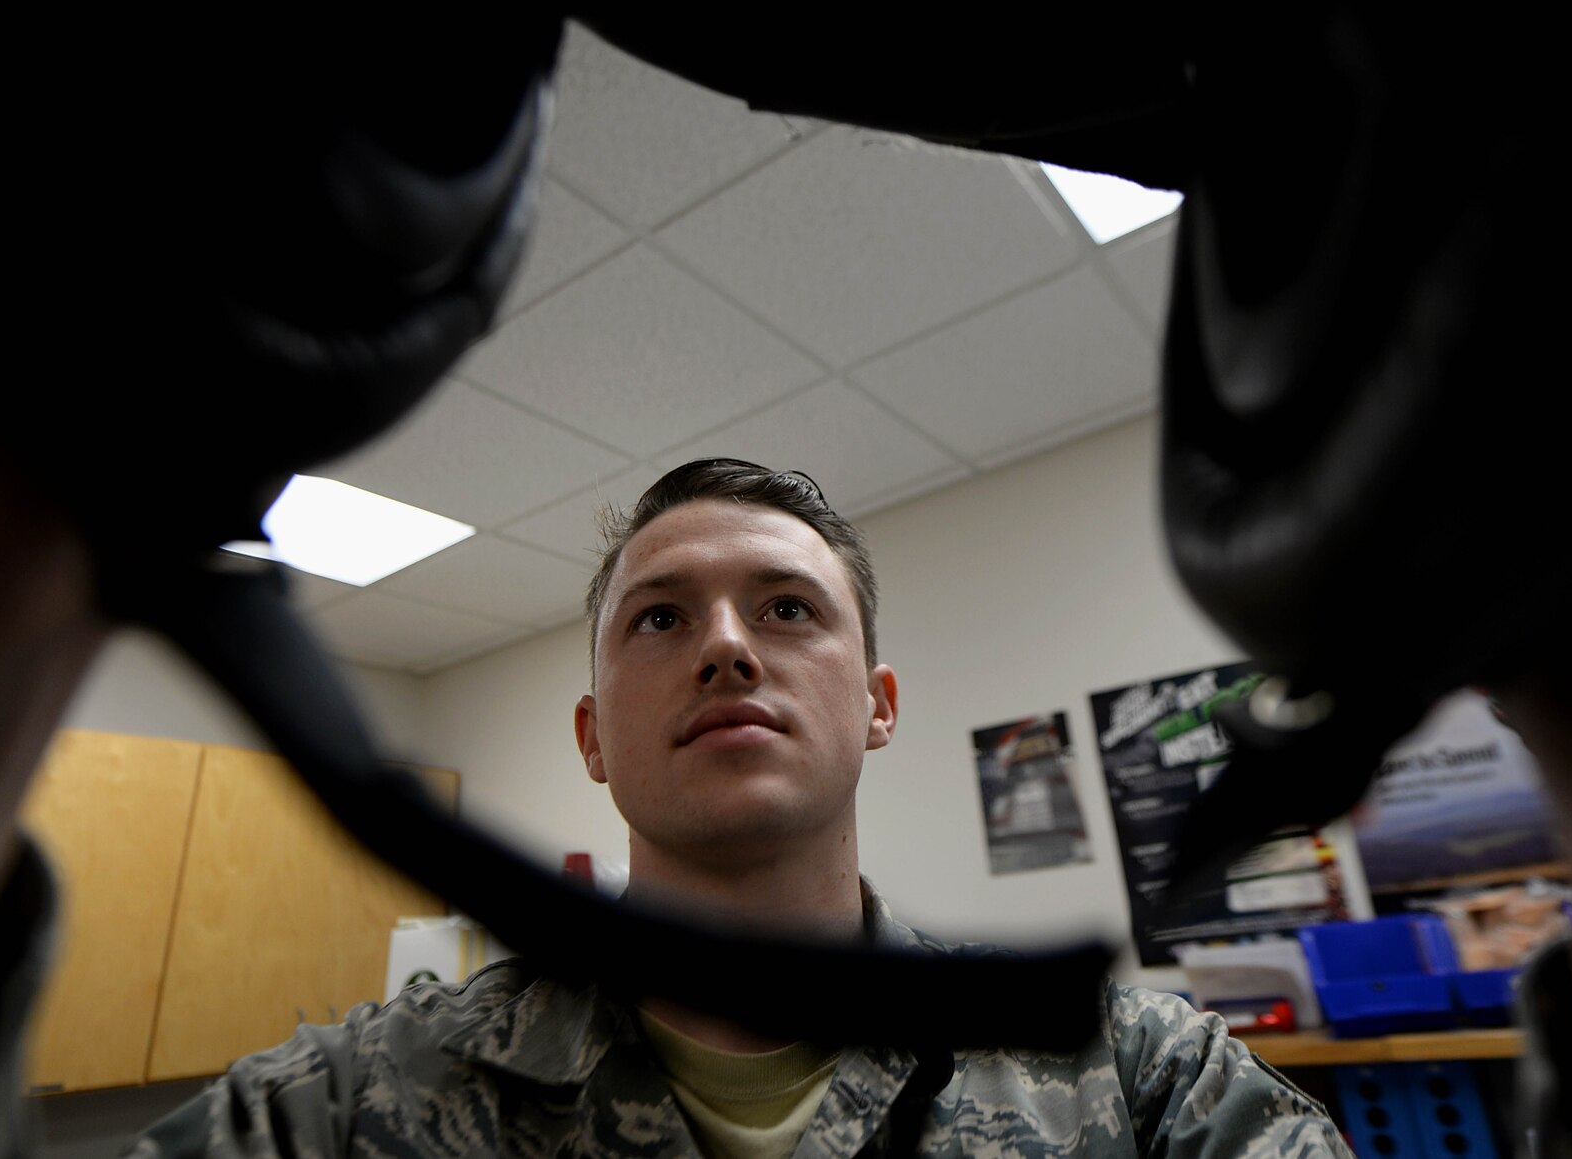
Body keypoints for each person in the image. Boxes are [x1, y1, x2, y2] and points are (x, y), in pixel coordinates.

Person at [128, 458, 1350, 1157]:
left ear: (876, 705)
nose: (724, 647)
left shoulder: (1138, 1076)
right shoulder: (351, 1104)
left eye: (786, 608)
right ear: (593, 737)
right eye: (659, 617)